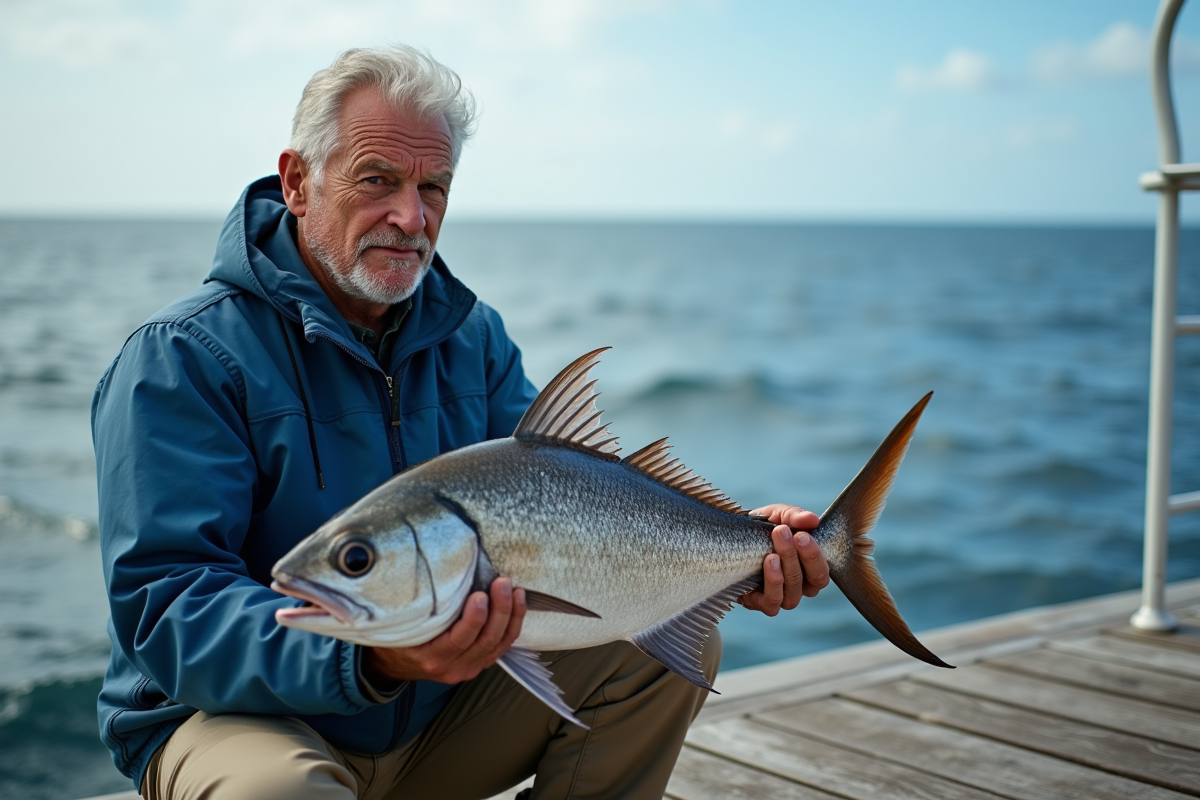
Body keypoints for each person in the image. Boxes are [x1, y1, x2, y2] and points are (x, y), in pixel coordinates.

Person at [93, 45, 829, 800]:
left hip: (435, 723)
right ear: (298, 183)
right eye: (378, 179)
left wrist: (735, 553)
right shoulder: (183, 357)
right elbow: (166, 602)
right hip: (241, 722)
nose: (411, 217)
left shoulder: (474, 339)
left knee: (668, 646)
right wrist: (374, 658)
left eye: (433, 187)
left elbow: (576, 510)